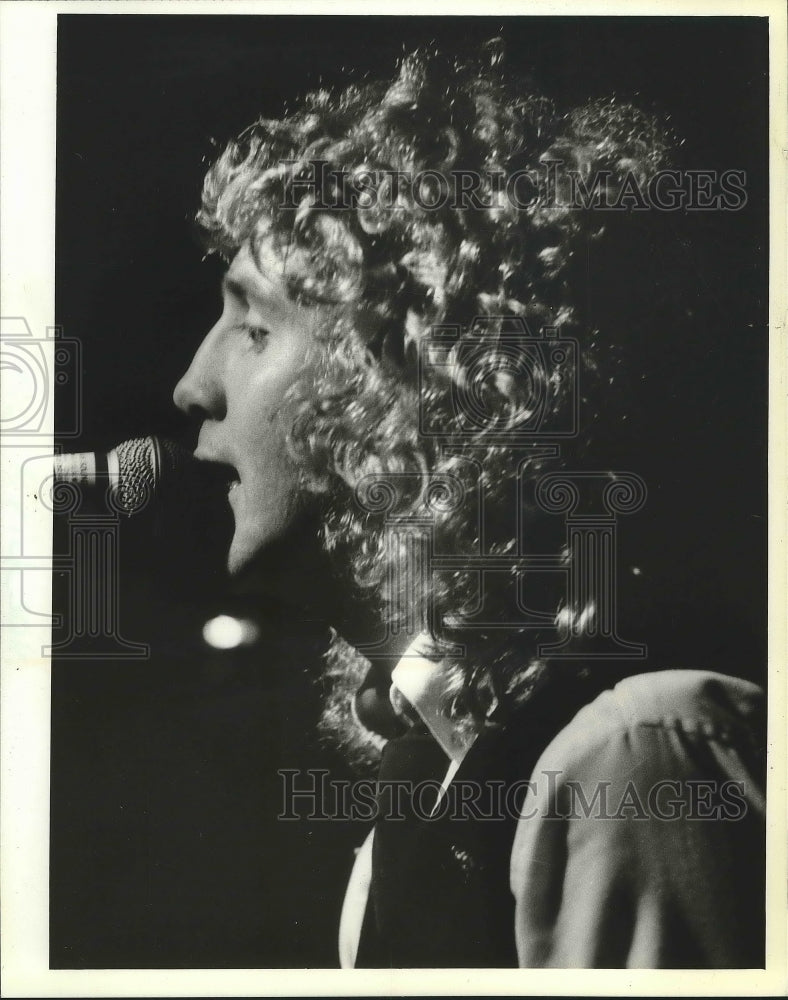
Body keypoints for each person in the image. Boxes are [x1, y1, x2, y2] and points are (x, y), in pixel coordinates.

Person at [172, 41, 765, 968]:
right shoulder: (425, 779)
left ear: (412, 379)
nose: (191, 386)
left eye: (252, 326)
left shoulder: (635, 755)